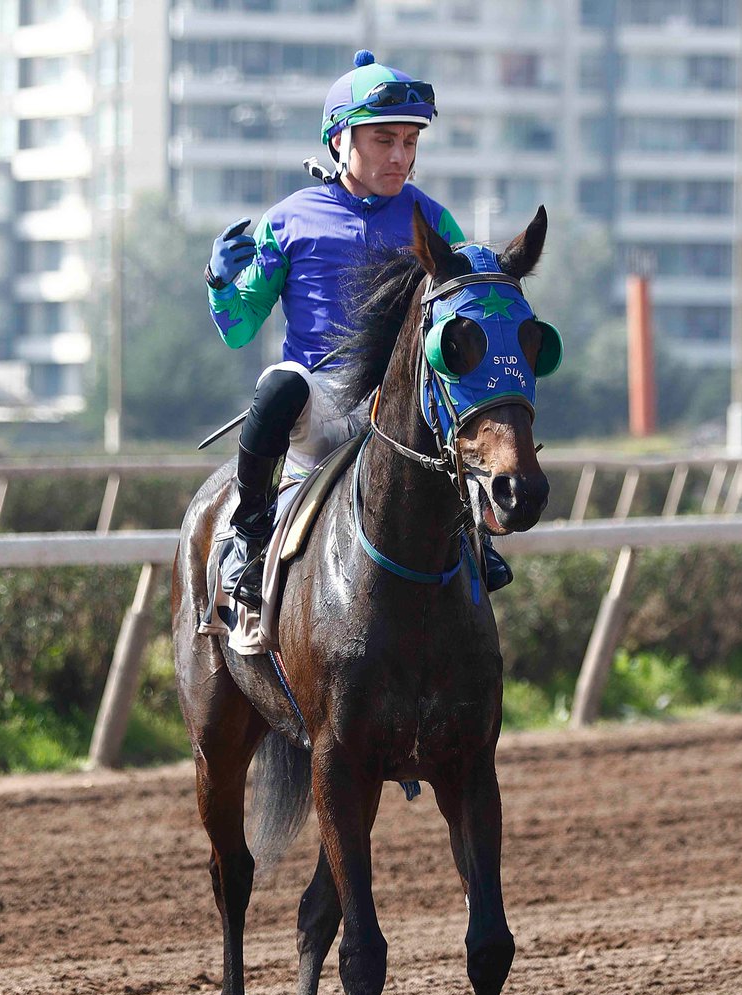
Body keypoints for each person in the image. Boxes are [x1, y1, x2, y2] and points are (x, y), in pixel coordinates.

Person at [205, 50, 512, 610]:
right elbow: (237, 330)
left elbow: (462, 322)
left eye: (410, 142)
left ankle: (475, 534)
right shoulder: (287, 220)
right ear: (339, 141)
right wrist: (220, 284)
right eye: (383, 141)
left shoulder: (434, 221)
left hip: (401, 406)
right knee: (278, 383)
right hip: (319, 405)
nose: (400, 157)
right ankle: (247, 535)